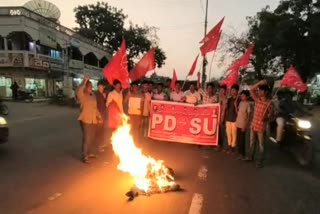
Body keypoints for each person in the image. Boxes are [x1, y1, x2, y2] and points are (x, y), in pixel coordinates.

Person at [245, 80, 273, 168]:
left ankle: (260, 161)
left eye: (261, 90)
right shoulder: (257, 99)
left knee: (261, 145)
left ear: (266, 92)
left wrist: (267, 117)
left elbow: (272, 116)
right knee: (252, 142)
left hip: (261, 127)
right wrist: (259, 83)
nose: (259, 92)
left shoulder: (269, 103)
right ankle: (250, 157)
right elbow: (251, 90)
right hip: (254, 125)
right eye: (259, 90)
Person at [77, 75, 102, 164]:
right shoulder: (82, 95)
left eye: (92, 86)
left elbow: (95, 108)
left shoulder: (93, 95)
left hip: (93, 119)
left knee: (91, 138)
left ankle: (89, 152)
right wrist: (84, 81)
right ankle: (84, 156)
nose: (91, 88)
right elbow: (79, 90)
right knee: (87, 138)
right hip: (85, 119)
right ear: (86, 88)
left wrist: (99, 116)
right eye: (90, 86)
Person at [235, 90, 251, 159]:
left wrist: (245, 126)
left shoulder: (248, 104)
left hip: (243, 124)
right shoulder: (240, 103)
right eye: (241, 96)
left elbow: (248, 116)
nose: (242, 97)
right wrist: (235, 106)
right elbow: (237, 113)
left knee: (242, 141)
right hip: (238, 123)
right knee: (238, 140)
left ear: (247, 97)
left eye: (243, 96)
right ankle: (239, 153)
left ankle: (242, 154)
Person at [225, 84, 240, 153]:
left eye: (234, 90)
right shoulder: (229, 99)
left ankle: (233, 146)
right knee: (228, 133)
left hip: (235, 119)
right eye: (232, 90)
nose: (232, 91)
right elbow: (227, 108)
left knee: (234, 133)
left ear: (237, 91)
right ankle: (229, 145)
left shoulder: (239, 99)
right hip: (228, 118)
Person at [95, 81, 107, 152]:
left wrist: (104, 97)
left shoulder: (102, 94)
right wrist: (98, 116)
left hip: (102, 114)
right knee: (98, 132)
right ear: (98, 86)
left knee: (101, 131)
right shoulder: (96, 94)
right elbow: (95, 106)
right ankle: (98, 147)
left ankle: (99, 145)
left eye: (102, 86)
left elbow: (104, 104)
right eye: (100, 86)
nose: (101, 87)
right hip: (98, 115)